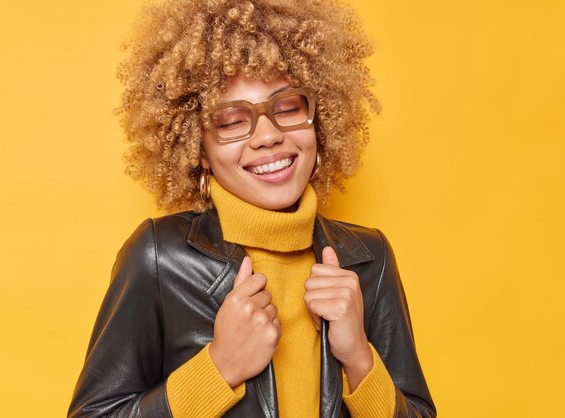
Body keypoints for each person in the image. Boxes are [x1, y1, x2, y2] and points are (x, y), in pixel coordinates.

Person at [68, 0, 436, 417]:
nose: (267, 136)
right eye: (230, 121)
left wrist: (359, 360)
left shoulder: (369, 260)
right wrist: (219, 368)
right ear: (198, 147)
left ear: (319, 120)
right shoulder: (158, 258)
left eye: (287, 107)